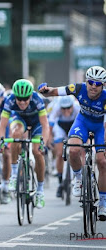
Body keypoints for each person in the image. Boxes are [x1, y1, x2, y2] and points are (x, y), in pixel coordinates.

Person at [38, 65, 106, 220]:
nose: (93, 86)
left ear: (103, 85)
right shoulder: (77, 88)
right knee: (73, 150)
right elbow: (54, 91)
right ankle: (78, 178)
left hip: (101, 126)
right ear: (86, 81)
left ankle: (103, 203)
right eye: (91, 82)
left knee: (102, 162)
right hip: (82, 122)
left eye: (98, 84)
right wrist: (44, 90)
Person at [0, 79, 49, 209]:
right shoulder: (9, 100)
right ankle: (14, 174)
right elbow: (2, 125)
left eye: (25, 99)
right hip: (20, 121)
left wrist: (44, 142)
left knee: (37, 152)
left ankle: (40, 191)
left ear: (30, 96)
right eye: (19, 99)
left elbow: (45, 125)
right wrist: (1, 141)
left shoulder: (37, 99)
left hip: (37, 123)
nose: (22, 102)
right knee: (15, 134)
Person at [48, 95, 80, 197]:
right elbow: (51, 123)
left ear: (72, 106)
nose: (66, 110)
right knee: (59, 154)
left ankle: (78, 176)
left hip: (73, 125)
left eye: (68, 108)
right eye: (63, 108)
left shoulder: (77, 107)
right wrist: (49, 137)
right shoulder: (56, 107)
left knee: (79, 150)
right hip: (60, 127)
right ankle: (60, 182)